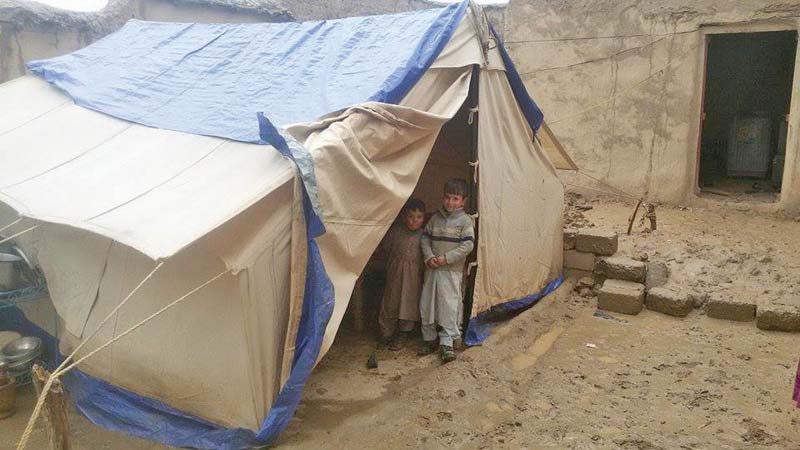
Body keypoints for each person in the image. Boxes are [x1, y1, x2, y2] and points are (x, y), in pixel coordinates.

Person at [419, 178, 474, 363]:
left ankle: (446, 342)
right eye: (448, 198)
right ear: (443, 198)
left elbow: (467, 246)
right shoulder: (435, 218)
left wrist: (446, 258)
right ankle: (428, 338)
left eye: (456, 199)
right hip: (433, 269)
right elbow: (425, 238)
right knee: (428, 304)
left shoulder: (465, 221)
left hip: (451, 271)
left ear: (463, 201)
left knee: (449, 306)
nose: (451, 202)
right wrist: (429, 257)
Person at [378, 198, 426, 350]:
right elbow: (385, 249)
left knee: (408, 305)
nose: (414, 221)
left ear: (423, 219)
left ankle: (403, 333)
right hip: (394, 275)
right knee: (390, 303)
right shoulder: (395, 232)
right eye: (411, 216)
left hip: (413, 278)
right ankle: (386, 332)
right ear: (404, 216)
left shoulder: (424, 236)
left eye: (419, 217)